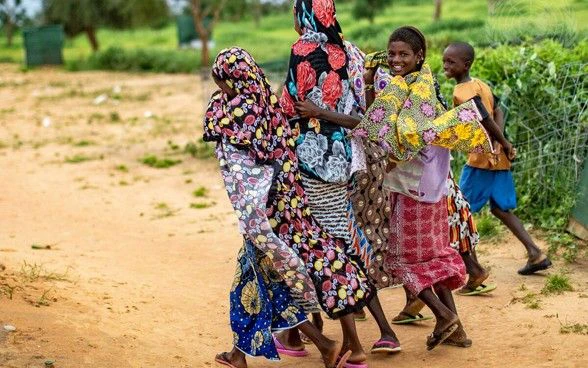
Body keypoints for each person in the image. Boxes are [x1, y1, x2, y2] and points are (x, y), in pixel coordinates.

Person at [353, 26, 510, 350]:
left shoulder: (414, 90)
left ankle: (442, 315)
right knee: (431, 258)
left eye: (404, 54)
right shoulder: (411, 84)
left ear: (419, 56)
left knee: (402, 259)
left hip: (415, 190)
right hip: (433, 188)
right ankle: (457, 331)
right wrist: (369, 79)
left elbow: (380, 129)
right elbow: (377, 119)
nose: (396, 60)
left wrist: (321, 113)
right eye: (392, 54)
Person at [204, 47, 352, 368]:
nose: (220, 89)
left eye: (222, 82)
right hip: (280, 210)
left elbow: (241, 165)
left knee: (257, 282)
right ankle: (239, 354)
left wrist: (254, 219)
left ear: (231, 78)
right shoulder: (267, 102)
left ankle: (324, 344)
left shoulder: (239, 111)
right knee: (256, 281)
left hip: (260, 217)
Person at [281, 1, 400, 364]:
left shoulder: (302, 49)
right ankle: (312, 335)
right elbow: (358, 109)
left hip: (310, 162)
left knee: (319, 246)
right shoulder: (347, 53)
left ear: (306, 14)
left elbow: (289, 103)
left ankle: (351, 343)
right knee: (339, 241)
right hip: (342, 160)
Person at [443, 41, 552, 275]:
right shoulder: (480, 84)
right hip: (498, 159)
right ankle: (535, 253)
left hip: (481, 161)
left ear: (466, 64)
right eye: (444, 61)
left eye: (450, 62)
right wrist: (501, 143)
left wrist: (500, 142)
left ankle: (473, 270)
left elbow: (484, 118)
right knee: (501, 209)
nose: (445, 66)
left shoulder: (462, 92)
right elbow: (498, 110)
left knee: (462, 211)